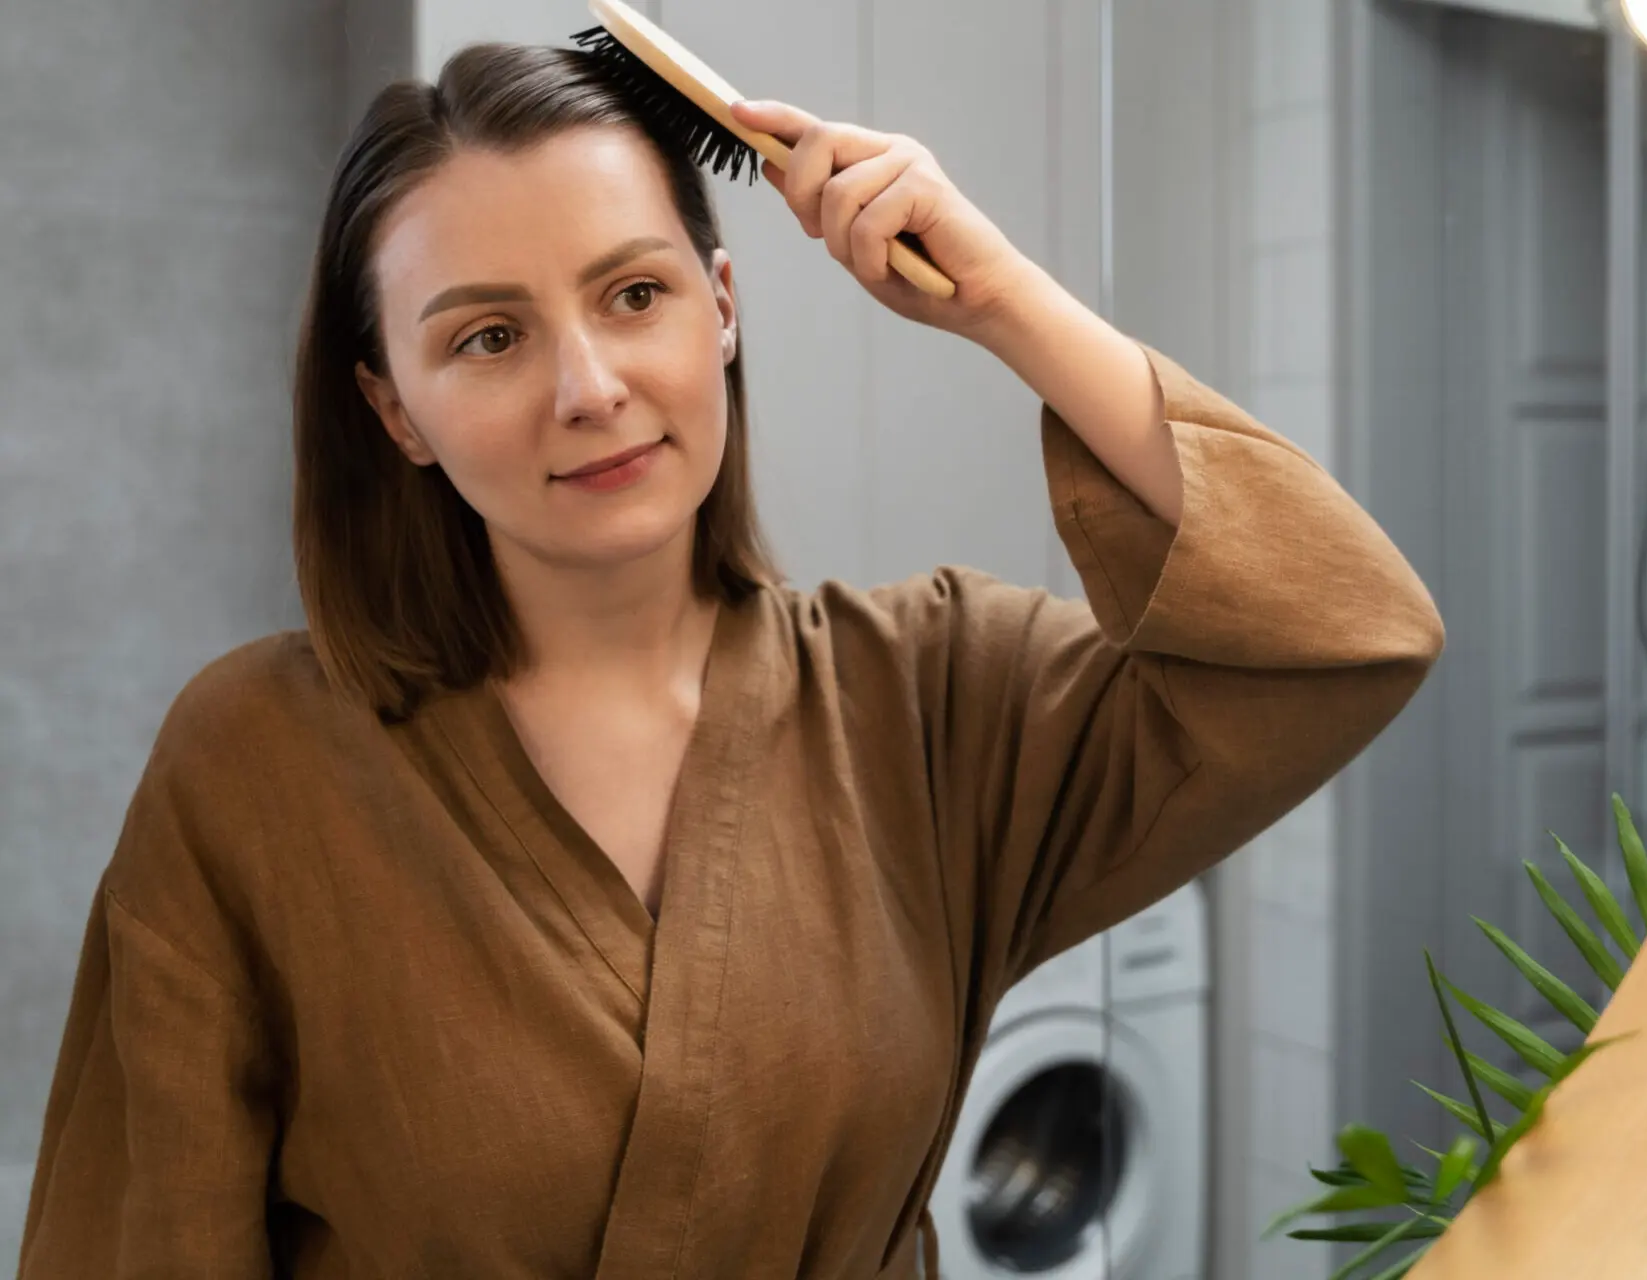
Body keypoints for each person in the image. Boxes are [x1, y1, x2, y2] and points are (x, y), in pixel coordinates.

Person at [18, 41, 1442, 1280]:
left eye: (634, 296)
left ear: (724, 307)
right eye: (490, 337)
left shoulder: (930, 700)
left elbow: (1343, 634)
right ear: (395, 412)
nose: (589, 388)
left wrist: (1000, 299)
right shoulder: (254, 764)